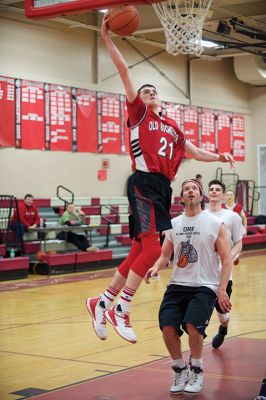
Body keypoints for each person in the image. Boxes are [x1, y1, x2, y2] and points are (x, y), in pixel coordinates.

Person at [85, 12, 235, 345]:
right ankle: (121, 307)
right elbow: (124, 71)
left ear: (161, 100)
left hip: (161, 189)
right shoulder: (137, 112)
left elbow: (195, 151)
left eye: (154, 91)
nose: (150, 93)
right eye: (146, 91)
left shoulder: (173, 128)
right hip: (142, 182)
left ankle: (103, 301)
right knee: (152, 250)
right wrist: (107, 37)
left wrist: (219, 155)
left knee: (139, 248)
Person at [145, 179, 232, 394]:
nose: (190, 191)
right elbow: (165, 254)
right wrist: (156, 267)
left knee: (193, 326)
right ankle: (179, 368)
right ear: (182, 197)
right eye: (186, 189)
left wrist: (221, 290)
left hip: (204, 285)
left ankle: (197, 370)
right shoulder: (173, 225)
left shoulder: (214, 223)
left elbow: (227, 259)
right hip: (177, 284)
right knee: (167, 327)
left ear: (201, 196)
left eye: (194, 188)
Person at [204, 180, 245, 349]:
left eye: (217, 189)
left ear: (222, 195)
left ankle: (223, 328)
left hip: (223, 273)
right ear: (207, 194)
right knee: (200, 312)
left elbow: (239, 243)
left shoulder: (232, 217)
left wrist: (229, 257)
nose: (214, 191)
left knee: (222, 313)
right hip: (203, 274)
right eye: (211, 189)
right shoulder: (201, 216)